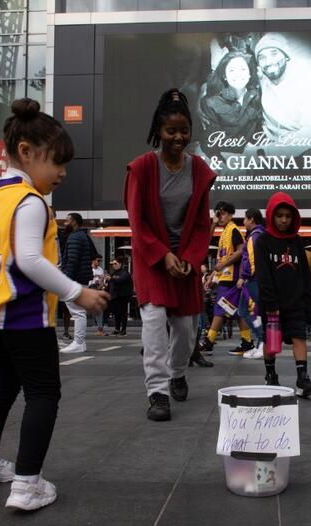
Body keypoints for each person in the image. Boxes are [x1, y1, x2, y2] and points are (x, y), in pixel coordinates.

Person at [0, 98, 109, 510]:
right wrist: (76, 292)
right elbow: (28, 260)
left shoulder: (1, 196)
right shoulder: (31, 201)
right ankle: (27, 485)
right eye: (56, 162)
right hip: (24, 313)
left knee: (2, 386)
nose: (62, 172)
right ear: (25, 152)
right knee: (43, 393)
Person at [125, 89, 216, 421]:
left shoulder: (199, 170)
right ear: (158, 131)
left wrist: (190, 259)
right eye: (171, 131)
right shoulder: (142, 168)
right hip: (153, 258)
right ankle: (158, 392)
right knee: (153, 322)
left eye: (184, 131)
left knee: (186, 328)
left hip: (186, 260)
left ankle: (178, 372)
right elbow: (138, 221)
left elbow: (203, 225)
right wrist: (163, 256)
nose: (179, 137)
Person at [255, 192, 311, 398]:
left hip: (296, 300)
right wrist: (270, 302)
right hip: (272, 303)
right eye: (279, 215)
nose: (283, 220)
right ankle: (271, 375)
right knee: (271, 341)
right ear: (271, 215)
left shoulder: (297, 242)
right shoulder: (263, 241)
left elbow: (305, 275)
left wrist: (308, 302)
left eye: (288, 216)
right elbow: (263, 274)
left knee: (300, 337)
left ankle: (303, 378)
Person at [253, 33, 311, 157]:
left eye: (274, 53)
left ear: (286, 56)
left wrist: (265, 152)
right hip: (276, 146)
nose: (268, 61)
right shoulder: (265, 81)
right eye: (262, 57)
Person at [198, 201, 253, 356]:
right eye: (218, 213)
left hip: (232, 279)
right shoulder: (224, 232)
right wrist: (213, 277)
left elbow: (240, 252)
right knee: (236, 311)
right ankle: (247, 342)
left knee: (220, 309)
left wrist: (222, 266)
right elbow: (219, 255)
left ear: (230, 214)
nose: (220, 216)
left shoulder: (234, 230)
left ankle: (209, 341)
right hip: (225, 278)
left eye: (222, 213)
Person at [200, 51, 262, 158]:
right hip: (223, 158)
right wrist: (223, 166)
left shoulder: (257, 97)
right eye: (232, 70)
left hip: (250, 156)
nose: (238, 74)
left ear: (249, 74)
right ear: (225, 76)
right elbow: (210, 144)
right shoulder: (211, 103)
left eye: (243, 69)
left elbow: (259, 132)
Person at [60, 212, 95, 353]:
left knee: (77, 312)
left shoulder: (74, 238)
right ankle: (79, 342)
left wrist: (67, 279)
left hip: (75, 279)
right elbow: (93, 254)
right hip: (81, 277)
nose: (64, 223)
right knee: (78, 311)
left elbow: (72, 260)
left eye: (67, 221)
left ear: (74, 222)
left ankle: (79, 342)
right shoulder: (83, 236)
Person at [236, 208, 266, 359]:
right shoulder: (259, 234)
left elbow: (252, 260)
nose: (244, 221)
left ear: (252, 219)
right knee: (245, 311)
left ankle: (263, 342)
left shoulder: (254, 236)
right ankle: (261, 342)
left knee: (248, 312)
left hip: (253, 279)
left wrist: (244, 276)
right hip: (255, 279)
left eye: (245, 219)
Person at [108, 257, 132, 336]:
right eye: (113, 264)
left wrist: (111, 278)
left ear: (120, 264)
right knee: (116, 313)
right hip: (115, 296)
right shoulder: (114, 273)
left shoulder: (124, 272)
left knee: (123, 313)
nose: (114, 265)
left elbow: (121, 279)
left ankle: (123, 330)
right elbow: (111, 283)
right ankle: (117, 329)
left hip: (122, 296)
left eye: (115, 264)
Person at [89, 257, 108, 336]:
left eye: (101, 261)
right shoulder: (89, 269)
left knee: (99, 309)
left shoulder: (101, 270)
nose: (99, 262)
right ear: (93, 260)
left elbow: (103, 280)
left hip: (98, 289)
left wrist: (103, 284)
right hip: (89, 289)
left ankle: (100, 329)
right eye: (98, 260)